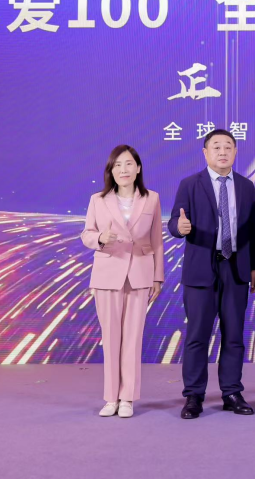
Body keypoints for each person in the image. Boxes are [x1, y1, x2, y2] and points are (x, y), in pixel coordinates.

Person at [168, 129, 255, 419]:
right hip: (201, 270)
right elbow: (174, 222)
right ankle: (193, 395)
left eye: (228, 147)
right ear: (205, 152)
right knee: (197, 336)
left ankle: (232, 392)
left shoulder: (246, 186)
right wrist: (179, 228)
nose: (223, 152)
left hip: (236, 269)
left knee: (234, 335)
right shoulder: (190, 184)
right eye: (216, 147)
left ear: (235, 152)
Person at [81, 145, 164, 418]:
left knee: (132, 339)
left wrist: (158, 276)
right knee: (111, 338)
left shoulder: (151, 198)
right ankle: (110, 398)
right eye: (117, 165)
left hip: (140, 274)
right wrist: (100, 238)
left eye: (128, 164)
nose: (123, 169)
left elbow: (156, 241)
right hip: (107, 273)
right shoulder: (98, 199)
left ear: (138, 168)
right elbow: (87, 234)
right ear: (111, 170)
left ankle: (127, 398)